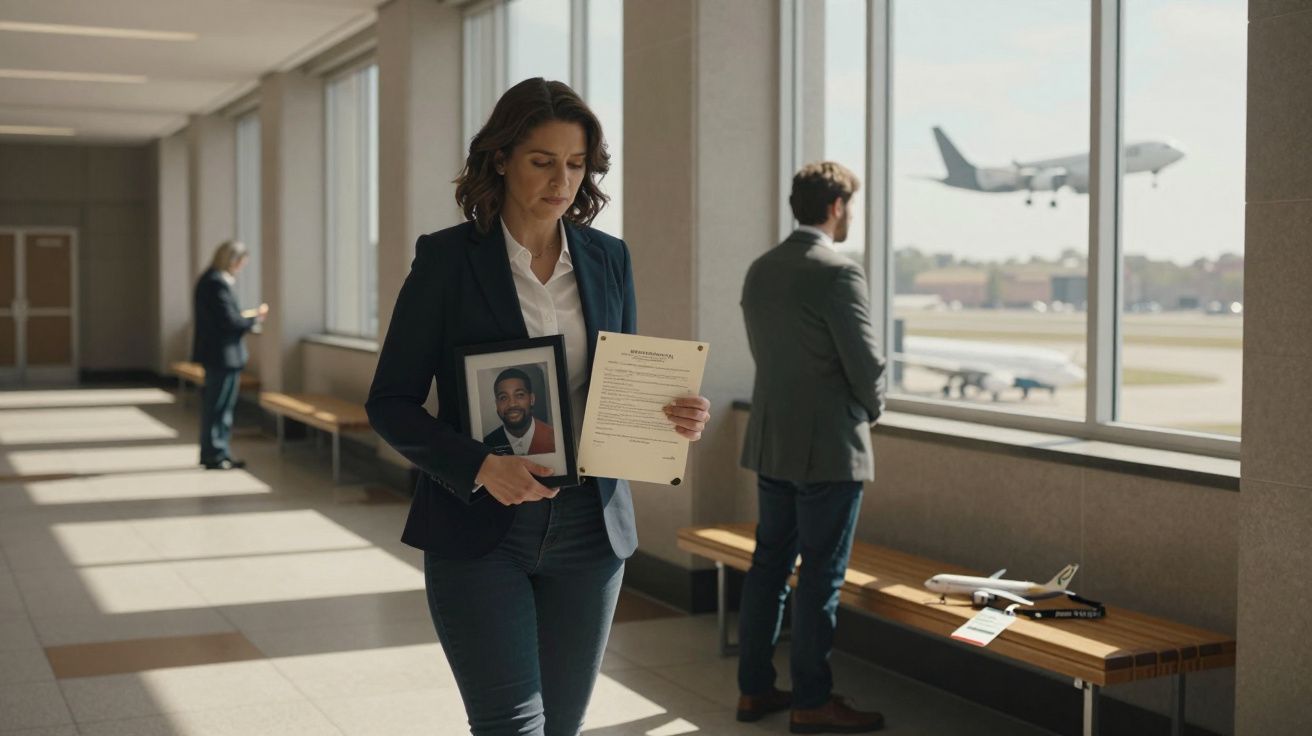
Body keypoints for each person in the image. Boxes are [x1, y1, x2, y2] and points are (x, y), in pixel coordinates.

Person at [365, 77, 711, 736]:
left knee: (561, 728)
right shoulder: (446, 261)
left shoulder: (608, 259)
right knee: (512, 725)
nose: (563, 181)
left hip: (591, 528)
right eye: (542, 161)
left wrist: (671, 415)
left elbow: (617, 380)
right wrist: (478, 466)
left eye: (577, 164)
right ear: (501, 158)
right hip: (480, 529)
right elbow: (391, 403)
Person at [736, 162, 887, 733]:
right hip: (828, 448)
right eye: (850, 206)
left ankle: (754, 691)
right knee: (821, 576)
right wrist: (871, 411)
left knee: (768, 568)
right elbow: (865, 364)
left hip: (773, 441)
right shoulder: (837, 272)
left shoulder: (760, 270)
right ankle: (812, 700)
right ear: (836, 206)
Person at [191, 240, 267, 471]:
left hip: (220, 354)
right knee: (218, 408)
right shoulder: (215, 284)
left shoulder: (210, 282)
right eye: (241, 264)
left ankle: (218, 451)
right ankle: (215, 452)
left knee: (220, 407)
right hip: (221, 355)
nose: (241, 269)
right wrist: (254, 319)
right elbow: (229, 321)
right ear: (232, 261)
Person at [483, 368, 557, 456]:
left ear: (532, 399)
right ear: (497, 404)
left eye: (519, 395)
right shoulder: (485, 445)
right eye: (503, 397)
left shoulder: (555, 438)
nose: (512, 404)